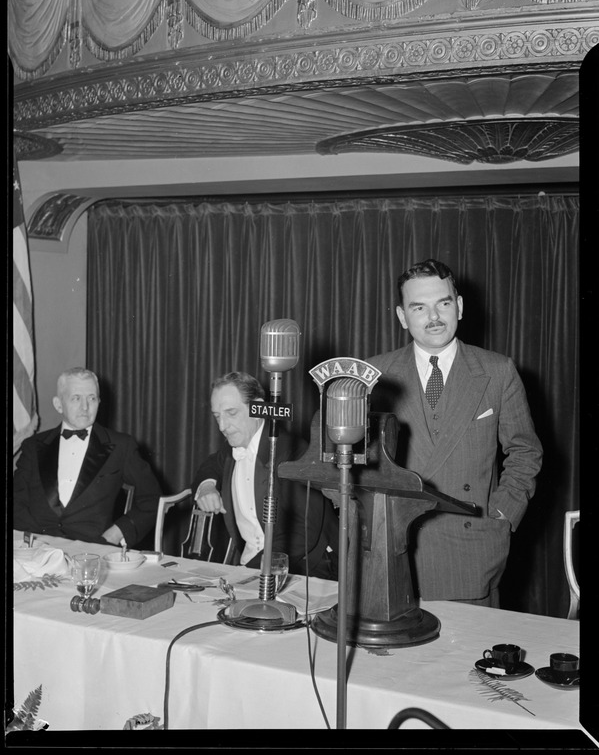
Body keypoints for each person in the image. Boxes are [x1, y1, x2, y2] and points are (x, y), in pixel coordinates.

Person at [367, 259, 543, 607]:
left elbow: (525, 452)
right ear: (403, 317)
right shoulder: (376, 373)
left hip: (471, 553)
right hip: (393, 552)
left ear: (459, 307)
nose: (434, 317)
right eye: (419, 307)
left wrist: (501, 516)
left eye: (443, 303)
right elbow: (347, 457)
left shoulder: (497, 371)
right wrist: (361, 518)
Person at [191, 371, 339, 580]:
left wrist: (245, 575)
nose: (222, 426)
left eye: (231, 413)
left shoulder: (294, 452)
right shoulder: (233, 447)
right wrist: (206, 486)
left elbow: (299, 534)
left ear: (257, 408)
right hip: (249, 566)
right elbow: (210, 466)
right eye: (217, 416)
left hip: (306, 571)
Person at [13, 367, 161, 547]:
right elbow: (16, 501)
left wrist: (116, 534)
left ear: (99, 401)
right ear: (58, 404)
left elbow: (152, 499)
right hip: (37, 549)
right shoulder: (33, 446)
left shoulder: (121, 446)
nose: (85, 407)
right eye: (76, 398)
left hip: (93, 552)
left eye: (91, 398)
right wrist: (35, 541)